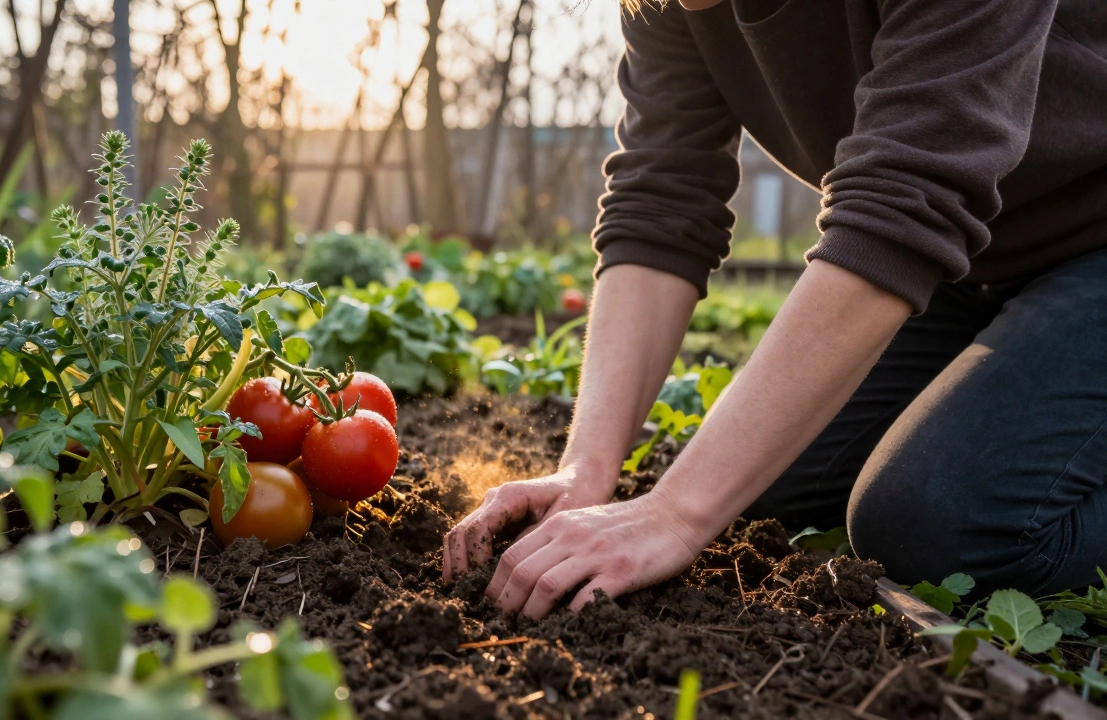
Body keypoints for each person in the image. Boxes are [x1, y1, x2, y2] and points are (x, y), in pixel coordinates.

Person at [441, 0, 1107, 620]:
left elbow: (904, 200)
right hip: (982, 257)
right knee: (760, 481)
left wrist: (674, 515)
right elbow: (661, 202)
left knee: (940, 523)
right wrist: (585, 469)